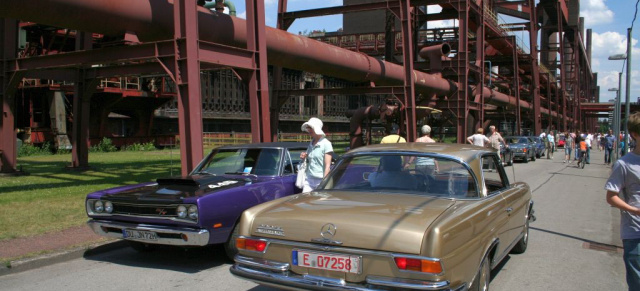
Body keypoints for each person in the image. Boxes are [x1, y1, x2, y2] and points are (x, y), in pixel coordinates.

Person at [604, 112, 640, 291]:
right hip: (635, 233)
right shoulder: (624, 164)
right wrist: (635, 210)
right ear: (634, 134)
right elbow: (611, 197)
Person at [299, 117, 334, 192]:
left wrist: (324, 183)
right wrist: (304, 156)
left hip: (320, 180)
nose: (308, 130)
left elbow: (328, 166)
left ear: (316, 128)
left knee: (319, 202)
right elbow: (309, 158)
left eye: (310, 127)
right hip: (309, 179)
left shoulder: (326, 144)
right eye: (308, 128)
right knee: (305, 201)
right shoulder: (311, 143)